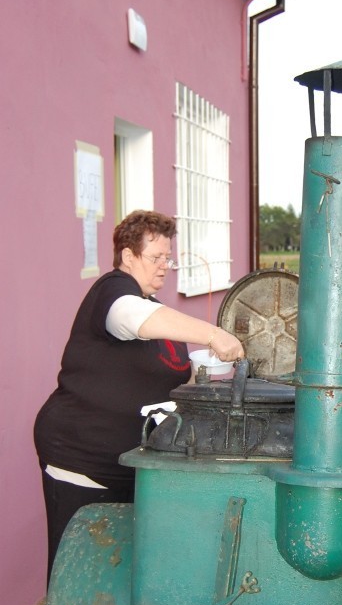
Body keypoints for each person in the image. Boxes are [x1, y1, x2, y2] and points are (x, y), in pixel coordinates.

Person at [34, 210, 244, 581]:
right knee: (78, 575)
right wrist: (214, 334)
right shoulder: (113, 291)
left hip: (129, 466)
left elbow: (165, 375)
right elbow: (130, 318)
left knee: (117, 573)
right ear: (128, 256)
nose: (165, 266)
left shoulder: (154, 311)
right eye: (155, 258)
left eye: (168, 257)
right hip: (82, 459)